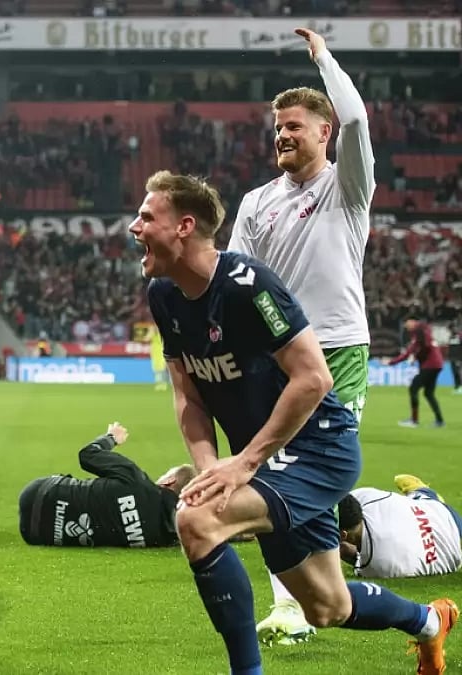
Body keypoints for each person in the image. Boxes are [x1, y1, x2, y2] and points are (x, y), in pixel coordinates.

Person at [134, 170, 456, 675]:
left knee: (196, 522)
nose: (135, 227)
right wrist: (209, 468)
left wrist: (243, 464)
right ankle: (430, 622)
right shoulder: (164, 295)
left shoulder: (248, 285)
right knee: (327, 608)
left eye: (147, 217)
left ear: (184, 226)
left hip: (318, 449)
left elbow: (313, 379)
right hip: (263, 463)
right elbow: (188, 393)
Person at [226, 28, 377, 645]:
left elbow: (361, 121)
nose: (284, 135)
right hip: (277, 356)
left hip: (338, 346)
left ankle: (339, 555)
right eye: (277, 128)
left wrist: (322, 58)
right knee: (273, 475)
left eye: (295, 125)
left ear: (324, 132)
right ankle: (295, 596)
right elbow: (231, 285)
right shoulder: (257, 202)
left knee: (309, 472)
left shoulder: (347, 188)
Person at [18, 422, 195, 548]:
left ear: (169, 481)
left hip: (36, 495)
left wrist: (111, 438)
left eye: (165, 474)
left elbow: (88, 455)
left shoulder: (135, 479)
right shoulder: (168, 538)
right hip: (39, 536)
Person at [338, 475, 462, 579]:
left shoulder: (374, 564)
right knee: (415, 501)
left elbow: (355, 559)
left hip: (452, 554)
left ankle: (421, 491)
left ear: (343, 535)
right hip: (446, 516)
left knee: (415, 500)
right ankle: (421, 491)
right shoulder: (366, 496)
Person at [385, 317, 446, 428]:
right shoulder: (422, 330)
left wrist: (391, 362)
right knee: (428, 393)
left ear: (412, 321)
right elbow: (418, 348)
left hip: (430, 365)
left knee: (414, 388)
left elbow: (421, 347)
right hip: (437, 364)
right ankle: (439, 421)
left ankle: (414, 420)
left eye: (407, 323)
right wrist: (416, 355)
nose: (406, 326)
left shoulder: (419, 331)